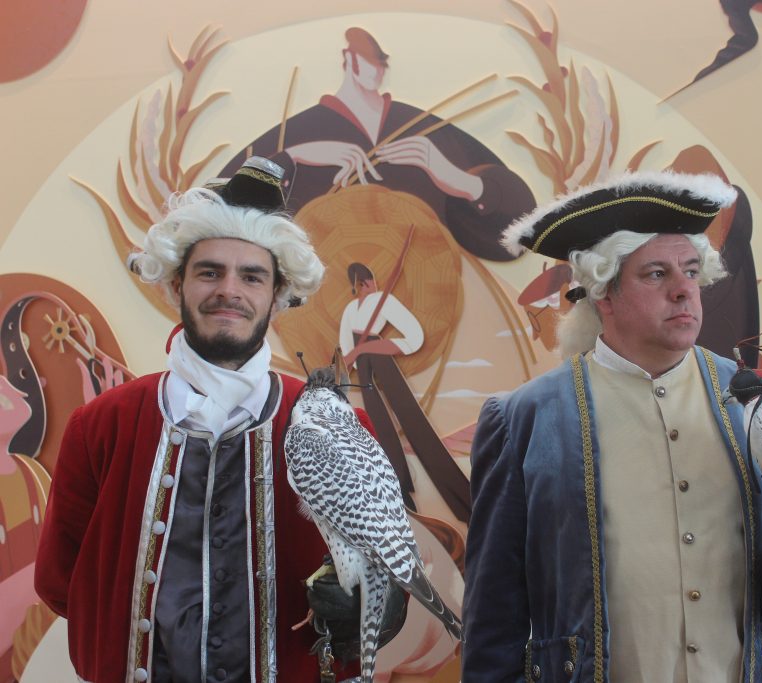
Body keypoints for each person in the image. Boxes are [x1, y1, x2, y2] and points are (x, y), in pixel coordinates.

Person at [462, 171, 762, 682]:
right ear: (603, 294)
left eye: (690, 271)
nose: (683, 291)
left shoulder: (756, 404)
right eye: (656, 274)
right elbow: (493, 611)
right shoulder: (525, 419)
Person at [33, 158, 377, 682]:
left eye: (251, 276)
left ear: (277, 297)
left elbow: (379, 578)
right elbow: (61, 581)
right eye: (209, 272)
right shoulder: (101, 425)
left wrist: (362, 607)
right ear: (177, 285)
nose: (229, 291)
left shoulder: (338, 428)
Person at [220, 26, 536, 262]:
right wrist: (293, 156)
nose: (377, 69)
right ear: (349, 59)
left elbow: (523, 231)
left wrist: (459, 180)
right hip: (318, 305)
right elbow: (219, 216)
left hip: (427, 291)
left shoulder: (422, 129)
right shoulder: (300, 130)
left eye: (381, 62)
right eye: (369, 60)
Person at [339, 262, 470, 520]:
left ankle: (455, 493)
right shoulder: (350, 309)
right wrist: (351, 358)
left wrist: (367, 347)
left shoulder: (382, 300)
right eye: (364, 282)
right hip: (363, 367)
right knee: (378, 424)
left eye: (369, 280)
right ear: (357, 285)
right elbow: (346, 349)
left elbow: (414, 337)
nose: (369, 285)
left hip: (380, 357)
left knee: (410, 417)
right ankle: (398, 493)